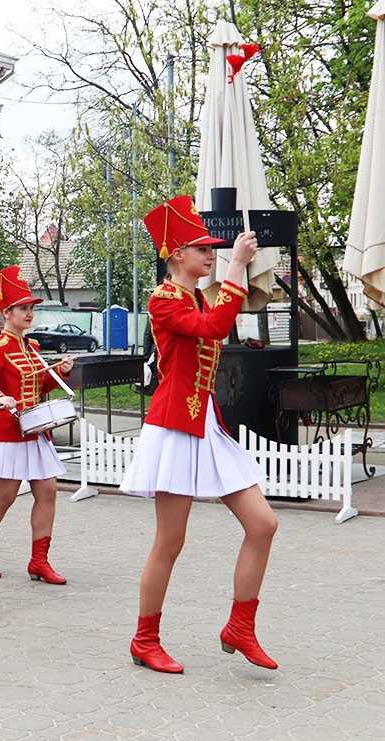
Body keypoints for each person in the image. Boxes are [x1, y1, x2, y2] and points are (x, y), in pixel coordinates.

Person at [120, 196, 277, 674]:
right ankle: (145, 639)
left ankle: (240, 627)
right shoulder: (164, 298)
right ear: (176, 255)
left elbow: (216, 320)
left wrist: (236, 272)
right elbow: (211, 328)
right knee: (170, 541)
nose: (211, 254)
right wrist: (237, 268)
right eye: (201, 248)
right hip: (174, 428)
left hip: (206, 424)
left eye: (214, 249)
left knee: (263, 524)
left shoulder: (199, 296)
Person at [0, 266, 75, 584]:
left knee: (49, 491)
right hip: (9, 432)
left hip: (36, 429)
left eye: (31, 308)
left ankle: (39, 561)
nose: (29, 313)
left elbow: (38, 387)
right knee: (5, 496)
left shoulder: (33, 348)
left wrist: (60, 372)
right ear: (7, 312)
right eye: (23, 308)